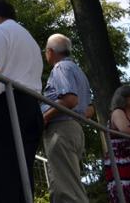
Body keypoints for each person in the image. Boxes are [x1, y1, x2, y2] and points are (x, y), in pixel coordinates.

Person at [0, 0, 43, 203]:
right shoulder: (30, 39)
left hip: (9, 105)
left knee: (4, 173)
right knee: (23, 174)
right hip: (33, 106)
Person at [40, 33, 91, 203]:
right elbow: (89, 109)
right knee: (68, 184)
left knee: (66, 190)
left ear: (50, 51)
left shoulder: (60, 68)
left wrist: (44, 117)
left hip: (60, 129)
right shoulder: (78, 71)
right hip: (74, 129)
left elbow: (70, 99)